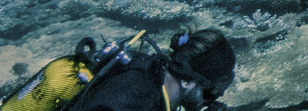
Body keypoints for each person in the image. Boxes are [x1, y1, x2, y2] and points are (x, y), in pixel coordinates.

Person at [61, 29, 237, 111]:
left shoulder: (151, 69)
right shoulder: (135, 100)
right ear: (187, 81)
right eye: (210, 92)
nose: (212, 99)